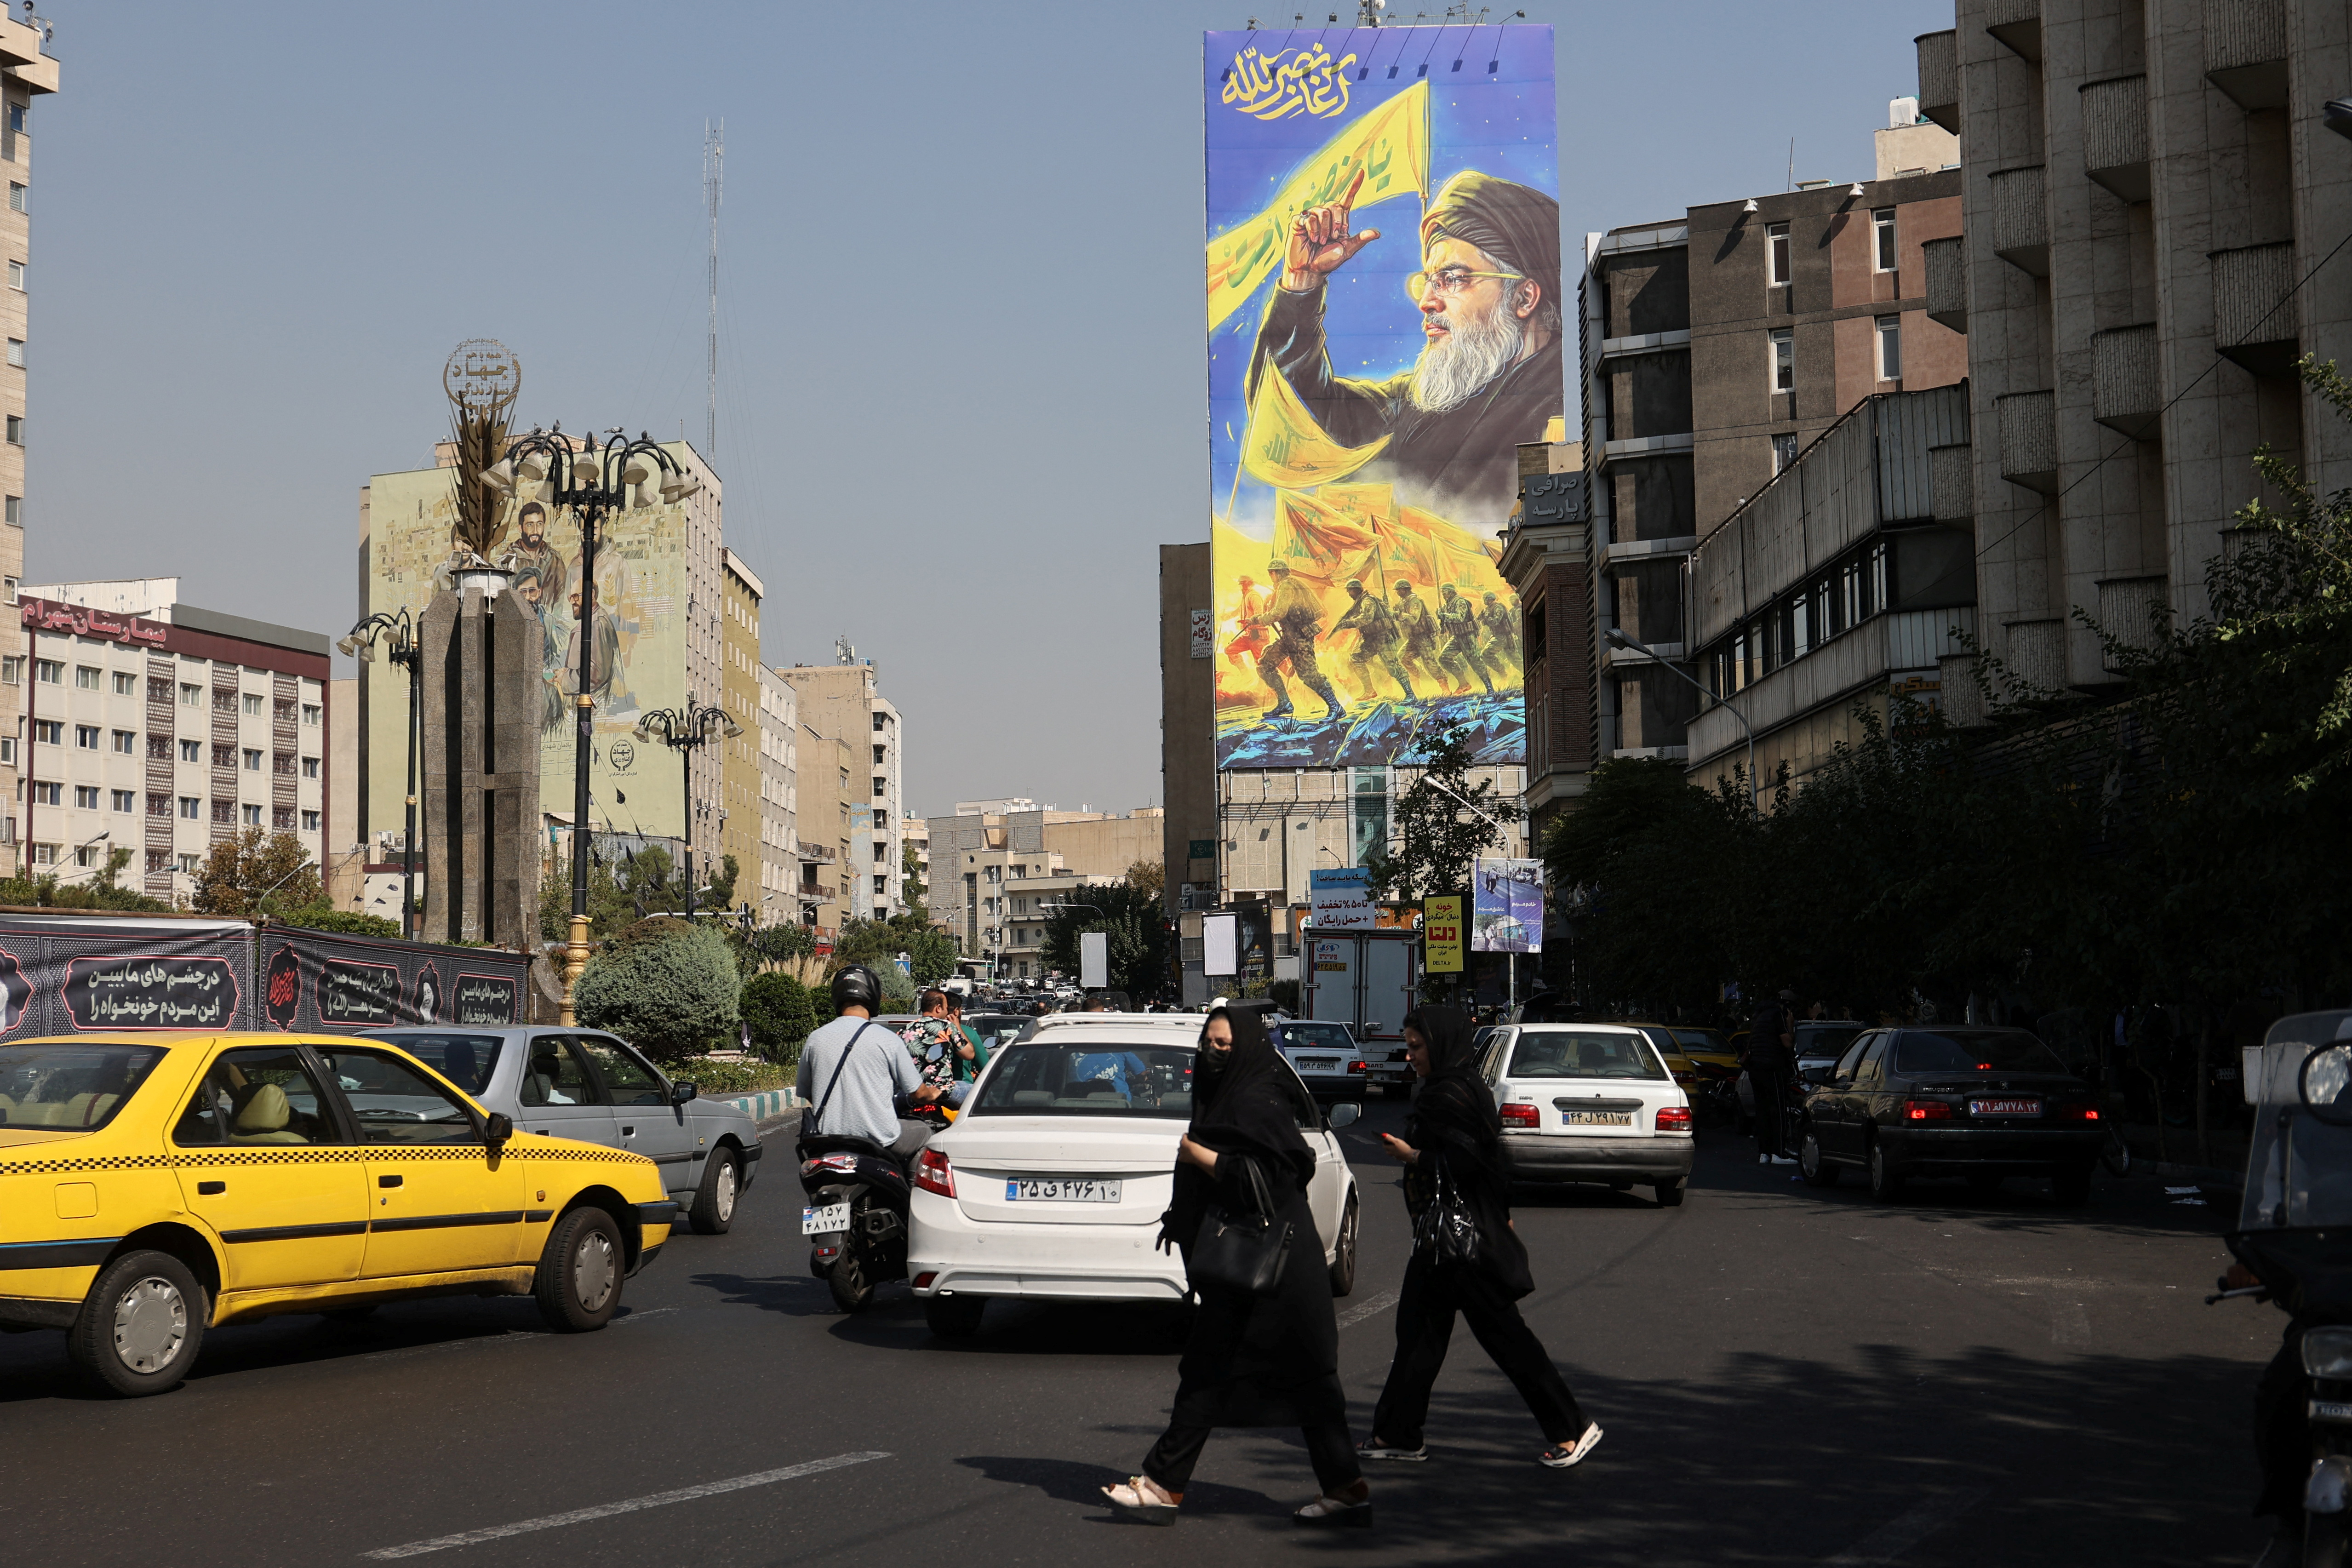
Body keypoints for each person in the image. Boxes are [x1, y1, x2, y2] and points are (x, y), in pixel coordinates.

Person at [1103, 1005, 1368, 1527]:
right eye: (1209, 1041)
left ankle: (1345, 1488)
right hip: (1247, 1267)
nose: (1214, 1051)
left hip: (1280, 1268)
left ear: (1245, 1047)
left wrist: (1197, 1154)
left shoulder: (1258, 1100)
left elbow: (1274, 1179)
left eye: (1225, 1044)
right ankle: (1166, 1483)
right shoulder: (1225, 1097)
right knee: (1210, 1370)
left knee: (1307, 1379)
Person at [1361, 1006, 1601, 1470]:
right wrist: (1502, 1213)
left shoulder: (1448, 1093)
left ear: (1441, 1043)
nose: (1410, 1056)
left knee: (1506, 1338)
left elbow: (1470, 1162)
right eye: (1408, 1046)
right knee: (1417, 1334)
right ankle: (1398, 1433)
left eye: (1417, 1046)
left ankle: (1572, 1426)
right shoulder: (1464, 1085)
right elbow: (1491, 1159)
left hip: (1460, 1243)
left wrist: (1411, 1154)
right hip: (1448, 1239)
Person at [1252, 168, 1562, 525]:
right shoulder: (1417, 405)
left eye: (1453, 279)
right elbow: (1301, 419)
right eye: (1428, 281)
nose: (1427, 301)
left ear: (1524, 298)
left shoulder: (1569, 400)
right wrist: (1301, 286)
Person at [794, 964, 943, 1163]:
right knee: (925, 1132)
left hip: (828, 1140)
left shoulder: (816, 1038)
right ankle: (912, 1193)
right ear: (874, 995)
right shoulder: (888, 1040)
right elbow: (918, 1094)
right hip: (880, 1139)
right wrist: (933, 1093)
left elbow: (807, 1092)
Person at [1246, 559, 1344, 722]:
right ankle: (1285, 703)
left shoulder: (1287, 586)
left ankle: (1336, 707)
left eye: (1272, 573)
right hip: (1289, 637)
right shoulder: (1285, 586)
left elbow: (1279, 613)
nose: (1271, 576)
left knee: (1309, 675)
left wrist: (1258, 620)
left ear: (1278, 573)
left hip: (1299, 637)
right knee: (1265, 665)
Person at [1332, 577, 1416, 702]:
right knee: (1356, 658)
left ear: (1357, 590)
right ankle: (1370, 690)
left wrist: (1349, 623)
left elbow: (1367, 618)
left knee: (1394, 667)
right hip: (1371, 639)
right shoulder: (1362, 602)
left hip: (1382, 638)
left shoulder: (1368, 601)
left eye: (1350, 591)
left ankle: (1411, 695)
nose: (1349, 594)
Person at [1745, 989, 1797, 1164]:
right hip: (1772, 1067)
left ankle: (1764, 1153)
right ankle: (1779, 1153)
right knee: (1778, 1111)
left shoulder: (1759, 1016)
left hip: (1755, 1068)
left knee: (1763, 1112)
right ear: (1786, 1005)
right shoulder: (1778, 1015)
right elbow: (1788, 1042)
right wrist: (1790, 1024)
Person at [1436, 583, 1498, 698]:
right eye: (1442, 592)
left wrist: (1445, 616)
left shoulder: (1460, 602)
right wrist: (1442, 618)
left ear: (1451, 591)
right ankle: (1463, 684)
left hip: (1468, 636)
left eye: (1445, 591)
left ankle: (1490, 689)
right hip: (1457, 637)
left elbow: (1460, 618)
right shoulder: (1447, 605)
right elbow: (1445, 627)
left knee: (1476, 662)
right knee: (1444, 658)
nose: (1443, 594)